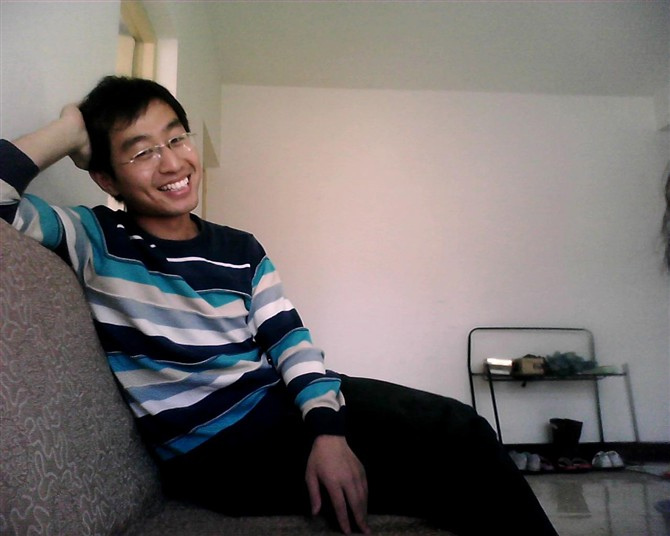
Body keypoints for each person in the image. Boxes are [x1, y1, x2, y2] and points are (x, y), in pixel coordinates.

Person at [0, 76, 558, 536]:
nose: (171, 163)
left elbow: (290, 341)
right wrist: (69, 129)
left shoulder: (240, 248)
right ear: (105, 176)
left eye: (177, 139)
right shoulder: (97, 236)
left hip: (276, 408)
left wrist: (326, 429)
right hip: (218, 452)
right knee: (454, 461)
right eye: (142, 152)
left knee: (458, 427)